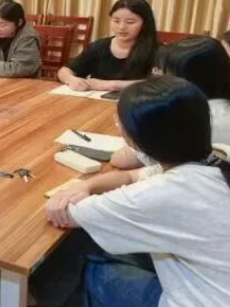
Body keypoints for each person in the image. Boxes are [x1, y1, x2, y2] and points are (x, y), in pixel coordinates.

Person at [46, 76, 230, 307]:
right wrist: (86, 185)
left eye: (120, 123)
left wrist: (64, 197)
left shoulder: (164, 192)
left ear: (137, 139)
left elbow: (68, 214)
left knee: (89, 263)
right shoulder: (215, 157)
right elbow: (131, 176)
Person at [111, 37, 230, 169]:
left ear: (186, 78)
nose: (155, 73)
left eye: (164, 71)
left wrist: (126, 127)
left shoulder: (190, 115)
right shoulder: (218, 106)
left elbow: (121, 160)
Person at [58, 0, 159, 91]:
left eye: (130, 22)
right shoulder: (99, 46)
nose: (121, 27)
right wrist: (71, 79)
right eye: (116, 21)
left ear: (145, 24)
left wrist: (113, 85)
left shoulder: (158, 51)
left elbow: (161, 83)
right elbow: (64, 71)